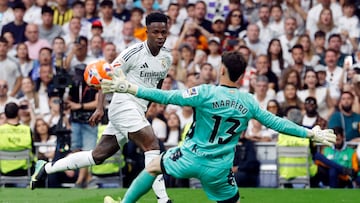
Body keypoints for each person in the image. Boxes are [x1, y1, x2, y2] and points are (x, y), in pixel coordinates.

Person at [101, 51, 336, 203]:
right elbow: (277, 122)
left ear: (222, 69)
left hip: (190, 157)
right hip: (220, 168)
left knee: (153, 166)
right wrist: (310, 133)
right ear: (243, 76)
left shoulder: (205, 92)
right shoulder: (249, 102)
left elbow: (168, 97)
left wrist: (131, 88)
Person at [30, 12, 172, 203]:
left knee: (98, 155)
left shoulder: (167, 57)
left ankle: (46, 168)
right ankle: (163, 200)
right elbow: (105, 76)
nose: (161, 36)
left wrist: (148, 106)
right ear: (146, 32)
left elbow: (158, 84)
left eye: (164, 32)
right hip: (123, 105)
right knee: (152, 145)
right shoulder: (133, 53)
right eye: (156, 32)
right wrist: (99, 107)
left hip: (138, 109)